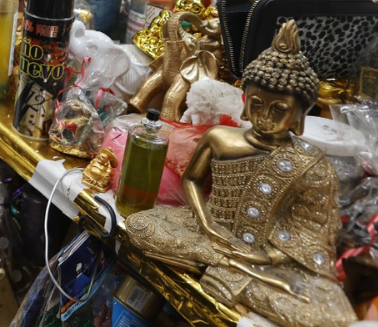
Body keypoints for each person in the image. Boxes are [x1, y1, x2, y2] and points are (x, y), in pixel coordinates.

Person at [124, 20, 354, 327]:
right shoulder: (221, 137)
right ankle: (228, 268)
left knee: (327, 315)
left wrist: (264, 257)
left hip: (269, 255)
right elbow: (191, 179)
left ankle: (223, 270)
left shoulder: (313, 164)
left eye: (279, 109)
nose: (265, 116)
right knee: (139, 225)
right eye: (257, 104)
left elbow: (311, 234)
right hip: (209, 232)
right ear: (245, 104)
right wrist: (207, 223)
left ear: (300, 115)